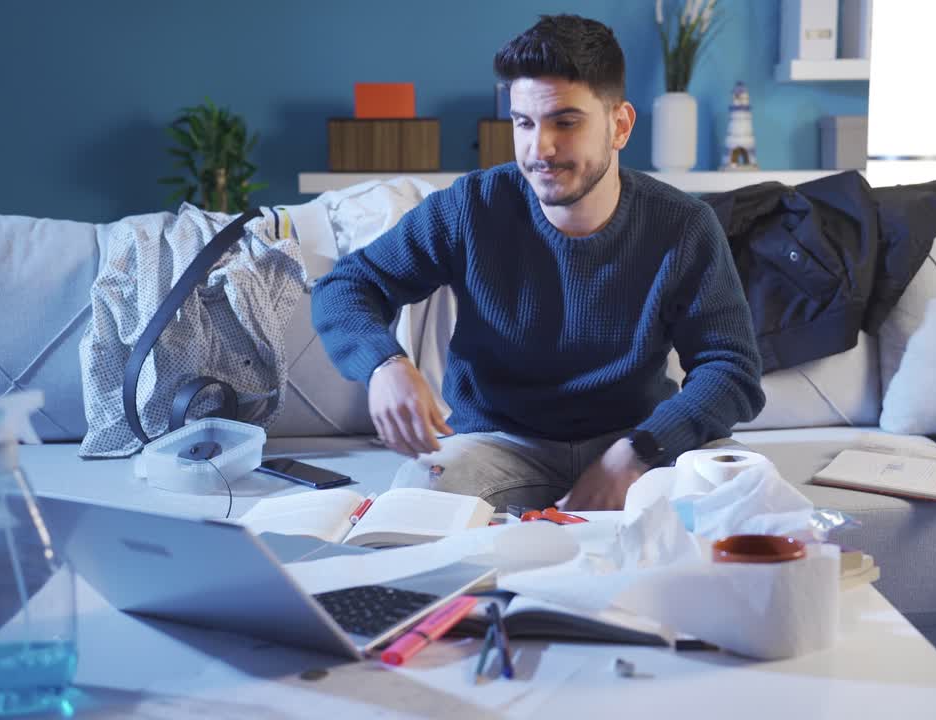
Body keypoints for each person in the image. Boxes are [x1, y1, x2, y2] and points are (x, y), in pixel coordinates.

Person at [312, 14, 764, 511]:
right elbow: (347, 286)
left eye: (565, 122)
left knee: (743, 496)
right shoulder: (472, 207)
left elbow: (730, 368)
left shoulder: (683, 225)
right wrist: (384, 363)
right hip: (496, 445)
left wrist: (635, 454)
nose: (539, 148)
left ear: (620, 125)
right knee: (413, 506)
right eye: (523, 123)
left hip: (636, 441)